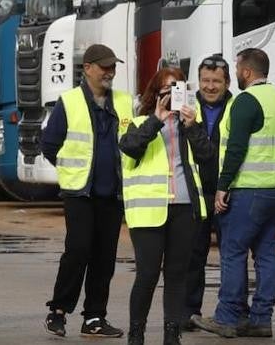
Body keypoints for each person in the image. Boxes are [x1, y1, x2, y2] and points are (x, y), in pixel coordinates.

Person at [120, 67, 213, 345]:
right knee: (147, 274)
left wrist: (192, 126)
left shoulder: (189, 124)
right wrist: (156, 120)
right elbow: (129, 147)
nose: (172, 97)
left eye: (177, 89)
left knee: (176, 275)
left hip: (184, 207)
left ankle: (172, 335)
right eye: (167, 91)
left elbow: (207, 156)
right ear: (155, 94)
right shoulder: (139, 120)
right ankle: (136, 334)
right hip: (148, 211)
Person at [204, 48, 275, 339]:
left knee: (233, 252)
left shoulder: (246, 101)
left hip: (249, 189)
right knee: (266, 254)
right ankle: (261, 319)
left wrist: (222, 186)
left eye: (237, 68)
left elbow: (236, 148)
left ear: (246, 71)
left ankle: (227, 317)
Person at [41, 43, 128, 339]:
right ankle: (58, 311)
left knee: (105, 258)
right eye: (104, 67)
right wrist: (68, 170)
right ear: (87, 68)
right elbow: (49, 145)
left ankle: (94, 317)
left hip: (112, 194)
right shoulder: (70, 102)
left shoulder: (124, 102)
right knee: (78, 251)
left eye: (112, 67)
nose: (109, 72)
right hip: (80, 193)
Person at [183, 55, 231, 332]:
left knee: (231, 258)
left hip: (227, 194)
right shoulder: (187, 107)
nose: (210, 87)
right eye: (205, 80)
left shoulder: (237, 107)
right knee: (193, 256)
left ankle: (232, 312)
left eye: (216, 81)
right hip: (197, 193)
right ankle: (188, 313)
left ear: (227, 83)